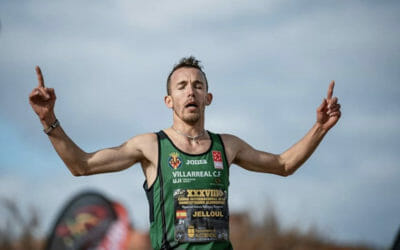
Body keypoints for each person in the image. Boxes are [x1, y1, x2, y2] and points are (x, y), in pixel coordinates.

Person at [29, 56, 341, 250]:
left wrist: (320, 128)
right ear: (169, 100)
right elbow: (81, 165)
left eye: (197, 85)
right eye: (181, 86)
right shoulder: (150, 146)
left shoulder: (228, 146)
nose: (190, 90)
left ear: (208, 97)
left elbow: (284, 164)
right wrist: (48, 121)